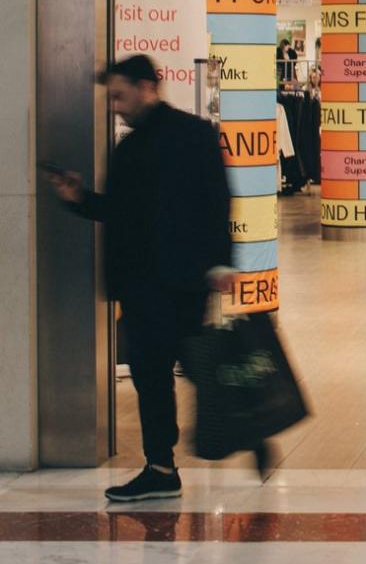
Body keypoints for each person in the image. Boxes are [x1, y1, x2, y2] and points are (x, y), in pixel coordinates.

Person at [45, 55, 235, 503]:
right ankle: (161, 466)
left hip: (185, 279)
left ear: (148, 86)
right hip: (143, 282)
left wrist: (222, 262)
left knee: (197, 365)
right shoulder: (128, 148)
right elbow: (121, 212)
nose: (115, 106)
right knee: (151, 374)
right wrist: (80, 200)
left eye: (120, 95)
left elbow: (218, 200)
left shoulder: (194, 134)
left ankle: (241, 427)